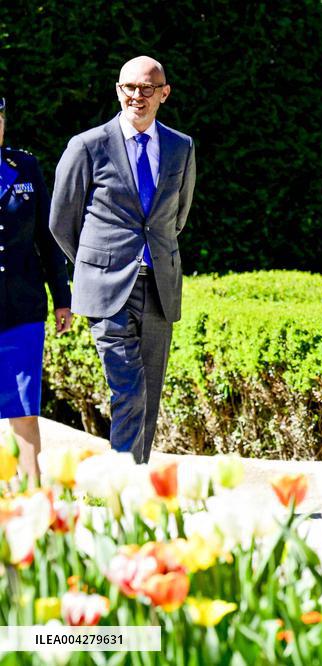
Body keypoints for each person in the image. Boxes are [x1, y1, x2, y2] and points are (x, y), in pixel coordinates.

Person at [50, 56, 196, 464]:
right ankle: (122, 483)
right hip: (108, 292)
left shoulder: (181, 147)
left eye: (147, 88)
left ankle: (135, 481)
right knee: (129, 389)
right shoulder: (87, 145)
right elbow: (62, 221)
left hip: (159, 287)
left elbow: (176, 218)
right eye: (129, 87)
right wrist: (97, 266)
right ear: (118, 90)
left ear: (163, 94)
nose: (137, 95)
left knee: (149, 393)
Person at [0, 98, 73, 481]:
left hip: (22, 308)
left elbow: (47, 238)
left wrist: (63, 298)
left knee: (24, 408)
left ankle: (32, 495)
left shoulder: (23, 166)